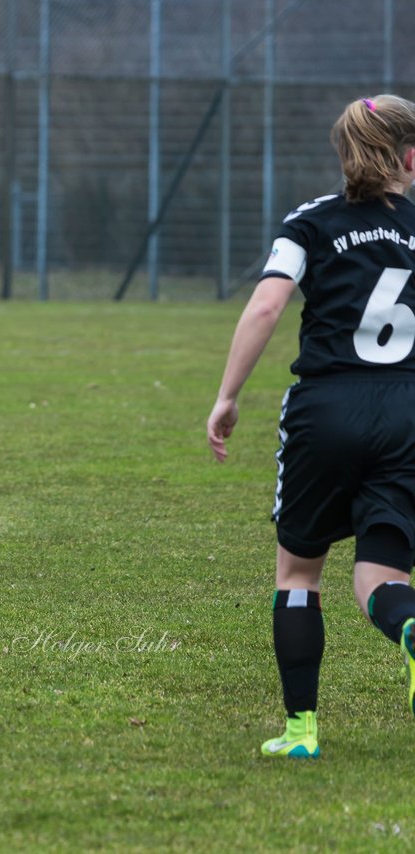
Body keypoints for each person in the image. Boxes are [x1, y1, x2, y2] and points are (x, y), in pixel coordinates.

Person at [207, 94, 415, 759]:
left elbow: (268, 305)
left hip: (326, 407)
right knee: (381, 575)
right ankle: (409, 627)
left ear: (345, 153)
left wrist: (228, 396)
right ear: (410, 157)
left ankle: (301, 734)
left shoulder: (311, 223)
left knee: (299, 574)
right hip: (409, 411)